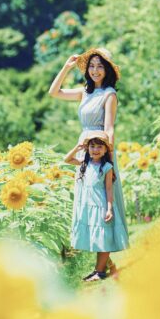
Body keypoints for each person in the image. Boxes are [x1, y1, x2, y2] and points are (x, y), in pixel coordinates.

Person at [49, 47, 129, 281]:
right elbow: (54, 92)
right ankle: (105, 264)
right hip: (85, 150)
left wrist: (107, 157)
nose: (95, 70)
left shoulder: (109, 94)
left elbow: (110, 127)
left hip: (100, 151)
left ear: (107, 70)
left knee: (102, 204)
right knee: (88, 206)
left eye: (100, 66)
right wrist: (66, 67)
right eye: (92, 66)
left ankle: (100, 269)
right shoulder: (85, 92)